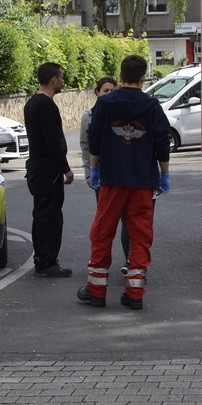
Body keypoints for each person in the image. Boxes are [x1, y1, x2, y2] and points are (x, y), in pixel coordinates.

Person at [77, 55, 171, 310]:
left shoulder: (104, 103)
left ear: (120, 76)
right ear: (143, 77)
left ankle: (96, 291)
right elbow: (163, 143)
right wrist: (164, 174)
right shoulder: (152, 106)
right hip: (142, 181)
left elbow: (94, 139)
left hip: (112, 179)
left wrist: (94, 170)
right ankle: (134, 293)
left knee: (102, 231)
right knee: (140, 235)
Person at [24, 62, 74, 277]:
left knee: (41, 215)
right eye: (61, 78)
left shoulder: (31, 103)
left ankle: (41, 259)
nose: (62, 82)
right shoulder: (46, 105)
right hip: (48, 170)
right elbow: (53, 142)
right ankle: (48, 262)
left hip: (37, 168)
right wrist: (66, 169)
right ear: (54, 79)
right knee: (51, 217)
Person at [79, 76, 131, 272]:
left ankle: (129, 261)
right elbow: (85, 145)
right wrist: (88, 171)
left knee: (127, 219)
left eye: (112, 91)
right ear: (97, 92)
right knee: (106, 220)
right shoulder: (89, 115)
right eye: (105, 91)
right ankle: (101, 264)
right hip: (100, 173)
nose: (109, 94)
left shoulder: (118, 111)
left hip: (120, 171)